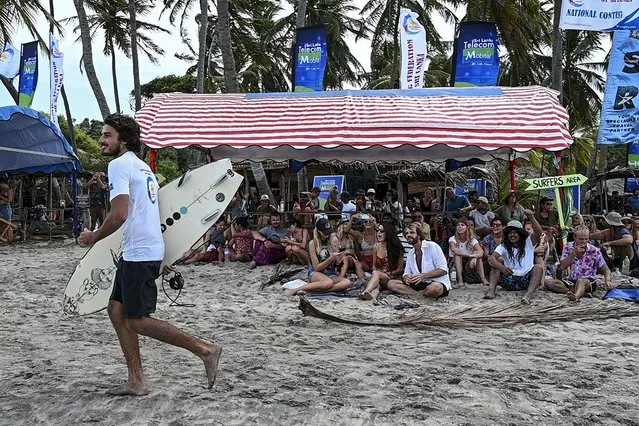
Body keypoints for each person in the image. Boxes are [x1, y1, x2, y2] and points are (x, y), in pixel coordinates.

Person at [78, 113, 221, 396]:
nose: (101, 140)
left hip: (140, 252)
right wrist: (163, 255)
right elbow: (148, 213)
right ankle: (137, 380)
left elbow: (119, 214)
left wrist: (94, 237)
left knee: (137, 320)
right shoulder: (143, 168)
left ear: (124, 139)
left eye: (107, 135)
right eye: (102, 134)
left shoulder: (119, 165)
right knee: (116, 309)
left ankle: (206, 350)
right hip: (140, 250)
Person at [484, 210, 544, 304]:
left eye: (515, 233)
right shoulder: (504, 245)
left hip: (526, 280)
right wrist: (502, 268)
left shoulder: (529, 242)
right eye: (510, 233)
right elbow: (491, 258)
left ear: (520, 234)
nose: (512, 235)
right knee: (495, 266)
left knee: (538, 267)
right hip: (509, 279)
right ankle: (491, 291)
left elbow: (539, 232)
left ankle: (527, 296)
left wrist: (531, 217)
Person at [285, 218, 353, 296]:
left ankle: (314, 292)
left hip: (330, 272)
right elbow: (317, 267)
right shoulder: (313, 243)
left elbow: (338, 264)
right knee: (328, 283)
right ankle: (295, 290)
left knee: (347, 282)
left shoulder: (333, 241)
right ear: (319, 232)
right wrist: (331, 258)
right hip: (316, 272)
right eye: (325, 233)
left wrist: (339, 260)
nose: (327, 235)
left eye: (328, 232)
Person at [544, 225, 613, 301]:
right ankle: (579, 293)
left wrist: (607, 280)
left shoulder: (594, 250)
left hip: (587, 280)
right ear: (574, 237)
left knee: (581, 281)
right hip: (572, 280)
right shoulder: (568, 247)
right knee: (548, 283)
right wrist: (574, 253)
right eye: (580, 239)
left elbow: (605, 269)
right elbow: (562, 267)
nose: (583, 242)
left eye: (586, 239)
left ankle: (576, 296)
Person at [385, 222, 451, 299]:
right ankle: (420, 295)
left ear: (419, 234)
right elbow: (406, 273)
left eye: (412, 232)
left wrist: (423, 276)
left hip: (435, 282)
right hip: (418, 284)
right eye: (406, 233)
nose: (408, 235)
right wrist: (406, 278)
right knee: (391, 284)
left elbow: (443, 270)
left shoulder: (432, 246)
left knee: (434, 288)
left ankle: (417, 294)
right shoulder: (411, 253)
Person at [360, 221, 404, 300]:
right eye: (377, 231)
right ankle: (372, 296)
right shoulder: (375, 247)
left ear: (388, 233)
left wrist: (385, 273)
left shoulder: (397, 248)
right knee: (376, 283)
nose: (378, 233)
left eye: (382, 231)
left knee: (376, 274)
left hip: (393, 277)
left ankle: (366, 291)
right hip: (379, 276)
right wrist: (376, 272)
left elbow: (400, 270)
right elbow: (373, 266)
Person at [449, 218, 488, 287]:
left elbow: (480, 251)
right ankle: (460, 280)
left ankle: (483, 278)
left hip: (468, 264)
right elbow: (454, 249)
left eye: (462, 225)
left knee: (477, 254)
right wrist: (469, 255)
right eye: (458, 225)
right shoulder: (452, 239)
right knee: (458, 255)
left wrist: (475, 257)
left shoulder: (472, 239)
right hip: (454, 265)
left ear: (467, 227)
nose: (459, 227)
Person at [0, 177, 14, 243]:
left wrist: (1, 196)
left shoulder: (9, 190)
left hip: (6, 207)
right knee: (3, 225)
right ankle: (5, 239)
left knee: (8, 224)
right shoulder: (2, 190)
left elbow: (9, 200)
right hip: (1, 207)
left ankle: (10, 240)